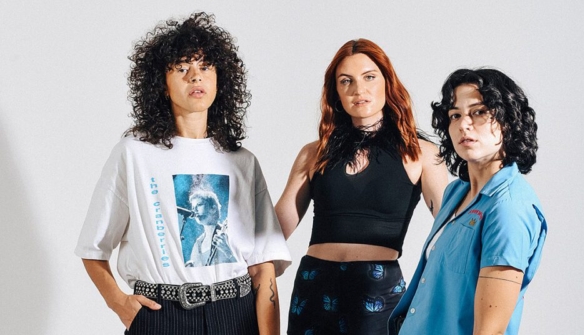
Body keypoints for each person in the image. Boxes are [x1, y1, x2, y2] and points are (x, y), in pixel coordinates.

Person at [75, 12, 291, 335]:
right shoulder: (133, 154)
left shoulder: (243, 162)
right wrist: (120, 304)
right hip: (160, 315)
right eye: (182, 68)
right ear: (162, 84)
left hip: (236, 313)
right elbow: (93, 249)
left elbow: (264, 269)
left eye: (205, 67)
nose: (196, 76)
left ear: (221, 80)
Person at [275, 39, 449, 334]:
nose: (359, 90)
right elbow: (274, 230)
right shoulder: (313, 153)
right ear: (336, 93)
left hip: (378, 290)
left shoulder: (420, 153)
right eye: (347, 81)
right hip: (315, 285)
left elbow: (449, 229)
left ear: (387, 82)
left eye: (369, 77)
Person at [389, 68, 547, 335]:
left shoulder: (508, 207)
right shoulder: (455, 193)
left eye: (479, 112)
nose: (464, 124)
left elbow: (490, 330)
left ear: (508, 120)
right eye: (455, 115)